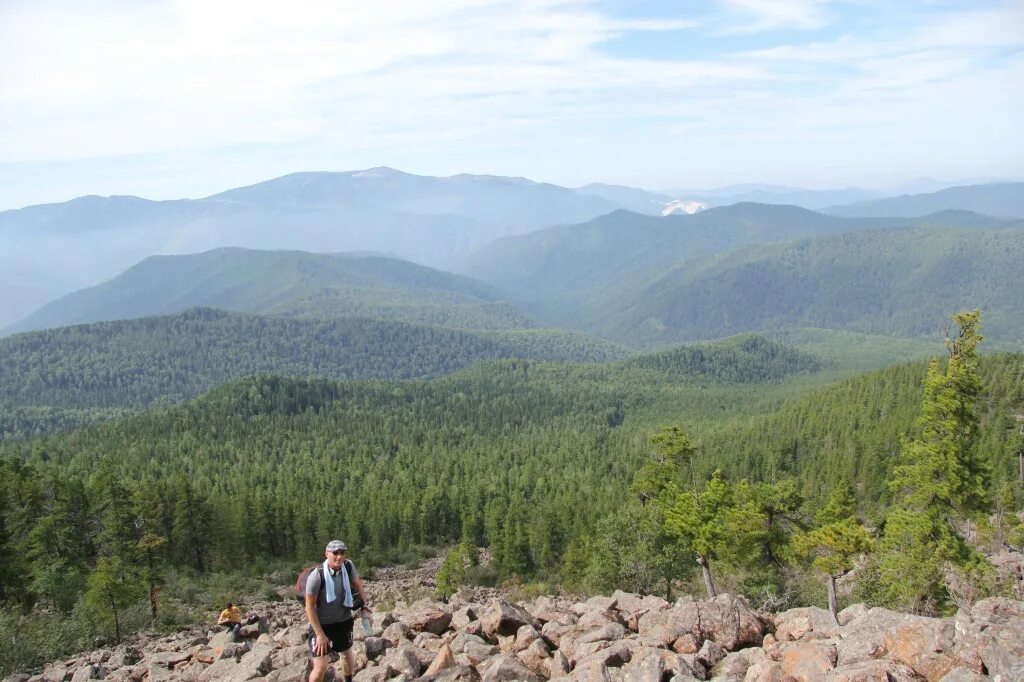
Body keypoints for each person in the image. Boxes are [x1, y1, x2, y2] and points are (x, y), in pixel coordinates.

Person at [305, 540, 370, 682]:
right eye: (335, 553)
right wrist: (320, 635)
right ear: (327, 554)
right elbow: (309, 607)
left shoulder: (348, 566)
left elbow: (358, 586)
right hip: (322, 625)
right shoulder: (317, 576)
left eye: (342, 553)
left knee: (346, 654)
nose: (339, 557)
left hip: (343, 621)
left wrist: (364, 607)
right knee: (321, 666)